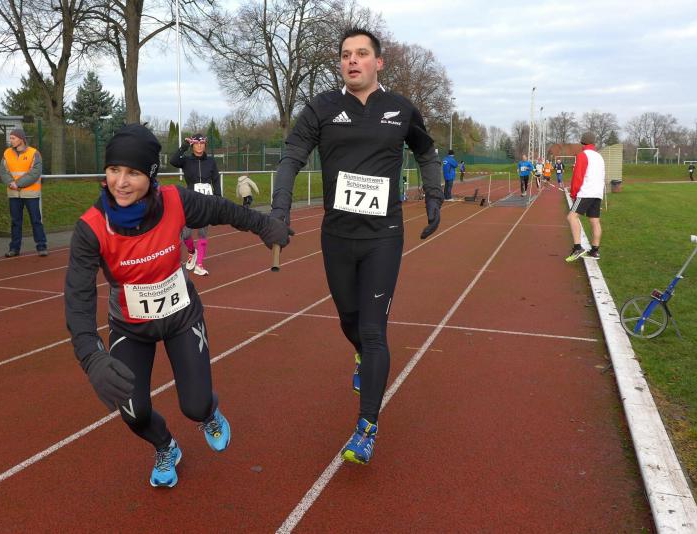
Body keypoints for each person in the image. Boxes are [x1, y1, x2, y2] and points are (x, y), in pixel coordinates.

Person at [64, 124, 291, 488]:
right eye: (114, 170)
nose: (121, 182)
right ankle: (165, 445)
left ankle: (209, 413)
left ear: (151, 175)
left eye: (133, 172)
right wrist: (91, 355)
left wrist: (264, 225)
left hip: (181, 317)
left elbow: (221, 209)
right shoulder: (91, 228)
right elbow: (78, 297)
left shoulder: (175, 201)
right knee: (133, 412)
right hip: (131, 327)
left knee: (195, 405)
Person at [270, 28, 443, 466]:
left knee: (373, 329)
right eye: (346, 54)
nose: (352, 60)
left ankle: (367, 427)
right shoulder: (322, 107)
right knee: (349, 320)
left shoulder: (400, 108)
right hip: (337, 236)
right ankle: (362, 356)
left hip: (384, 236)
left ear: (378, 62)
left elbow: (426, 153)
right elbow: (291, 156)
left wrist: (434, 197)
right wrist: (280, 210)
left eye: (361, 53)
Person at [169, 133, 221, 276]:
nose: (199, 146)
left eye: (202, 143)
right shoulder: (186, 161)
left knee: (203, 232)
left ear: (205, 145)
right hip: (191, 201)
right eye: (196, 144)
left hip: (206, 201)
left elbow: (216, 180)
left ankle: (199, 265)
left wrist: (218, 199)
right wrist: (184, 146)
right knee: (186, 233)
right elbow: (173, 161)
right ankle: (192, 252)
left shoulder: (211, 161)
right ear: (193, 146)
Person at [0, 128, 47, 257]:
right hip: (13, 194)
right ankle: (14, 248)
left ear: (21, 139)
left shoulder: (34, 153)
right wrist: (11, 183)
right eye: (11, 138)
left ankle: (42, 246)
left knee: (36, 221)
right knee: (15, 222)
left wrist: (17, 184)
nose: (11, 140)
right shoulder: (7, 153)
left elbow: (35, 173)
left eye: (13, 138)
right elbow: (3, 172)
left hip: (31, 194)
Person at [565, 132, 604, 261]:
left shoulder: (583, 155)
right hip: (597, 192)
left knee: (572, 217)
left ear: (582, 142)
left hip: (586, 192)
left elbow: (578, 176)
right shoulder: (599, 156)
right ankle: (595, 251)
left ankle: (577, 248)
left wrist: (573, 193)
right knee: (595, 221)